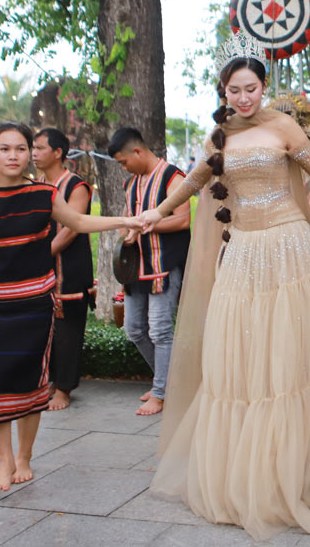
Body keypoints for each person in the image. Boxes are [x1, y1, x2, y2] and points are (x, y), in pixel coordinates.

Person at [139, 30, 310, 540]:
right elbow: (191, 183)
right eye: (235, 90)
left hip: (288, 246)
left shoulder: (284, 128)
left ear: (263, 85)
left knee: (287, 359)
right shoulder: (220, 136)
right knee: (236, 361)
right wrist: (156, 211)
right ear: (223, 91)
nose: (244, 97)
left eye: (251, 88)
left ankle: (284, 474)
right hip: (244, 251)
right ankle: (240, 473)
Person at [0, 122, 139, 493]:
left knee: (32, 381)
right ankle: (4, 461)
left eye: (20, 148)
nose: (13, 155)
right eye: (4, 149)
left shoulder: (45, 195)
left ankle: (25, 457)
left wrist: (125, 219)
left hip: (33, 304)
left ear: (30, 153)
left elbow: (77, 221)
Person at [108, 127, 191, 416]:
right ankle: (167, 381)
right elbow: (126, 220)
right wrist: (127, 230)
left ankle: (161, 391)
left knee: (160, 330)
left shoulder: (173, 176)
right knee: (133, 329)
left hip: (164, 265)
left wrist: (148, 225)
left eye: (123, 161)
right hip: (136, 268)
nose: (123, 166)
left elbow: (182, 221)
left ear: (138, 151)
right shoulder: (131, 183)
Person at [33, 128, 94, 411]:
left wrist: (44, 253)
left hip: (68, 269)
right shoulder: (34, 184)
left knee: (68, 330)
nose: (34, 153)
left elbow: (73, 227)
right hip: (41, 271)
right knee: (45, 329)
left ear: (57, 152)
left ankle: (65, 388)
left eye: (39, 148)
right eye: (32, 148)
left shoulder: (75, 185)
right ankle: (50, 381)